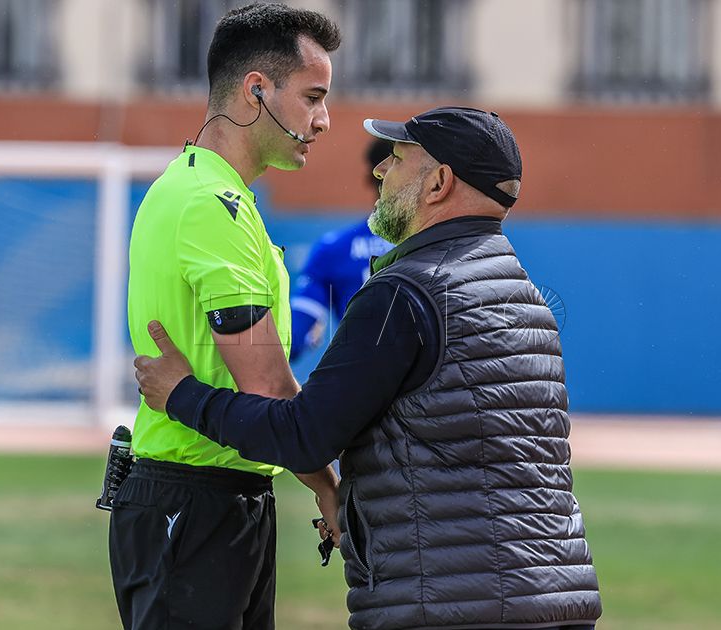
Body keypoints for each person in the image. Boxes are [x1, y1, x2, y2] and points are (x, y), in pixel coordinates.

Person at [134, 107, 602, 630]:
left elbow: (302, 435)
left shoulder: (406, 294)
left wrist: (181, 395)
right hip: (556, 597)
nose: (380, 171)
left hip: (452, 607)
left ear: (440, 183)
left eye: (397, 159)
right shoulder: (528, 300)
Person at [113, 4, 341, 629]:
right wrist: (329, 485)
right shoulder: (210, 204)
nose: (324, 120)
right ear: (256, 91)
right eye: (313, 97)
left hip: (217, 501)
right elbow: (266, 386)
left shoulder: (211, 191)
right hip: (191, 502)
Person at [289, 138, 395, 362]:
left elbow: (292, 341)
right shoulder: (443, 244)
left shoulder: (334, 249)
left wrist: (307, 338)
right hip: (431, 390)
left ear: (372, 177)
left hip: (362, 385)